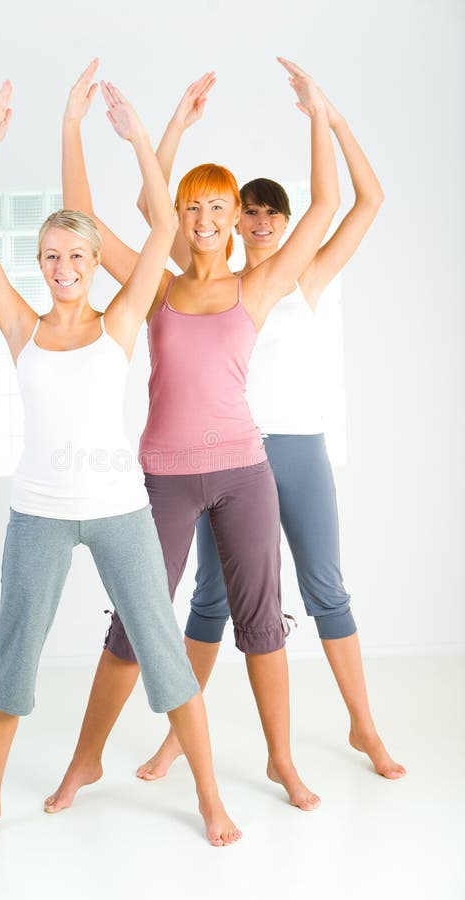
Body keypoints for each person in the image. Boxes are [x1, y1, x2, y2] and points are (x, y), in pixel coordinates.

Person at [0, 74, 242, 851]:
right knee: (14, 654)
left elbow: (160, 233)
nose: (65, 265)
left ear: (91, 258)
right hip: (37, 513)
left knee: (162, 651)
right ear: (40, 262)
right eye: (52, 255)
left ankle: (210, 799)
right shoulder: (22, 326)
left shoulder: (121, 318)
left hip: (118, 512)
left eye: (77, 253)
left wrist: (141, 136)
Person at [51, 57, 338, 813]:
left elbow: (327, 204)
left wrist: (317, 115)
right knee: (134, 627)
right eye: (192, 209)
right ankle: (85, 760)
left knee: (262, 623)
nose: (207, 221)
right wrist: (78, 128)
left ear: (233, 213)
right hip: (167, 480)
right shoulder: (156, 284)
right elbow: (80, 223)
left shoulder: (260, 285)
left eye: (219, 208)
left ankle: (280, 760)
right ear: (176, 218)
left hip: (246, 475)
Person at [133, 70, 406, 782]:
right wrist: (174, 128)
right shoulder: (202, 285)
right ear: (226, 221)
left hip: (297, 449)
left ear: (282, 226)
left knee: (325, 587)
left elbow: (355, 201)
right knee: (210, 598)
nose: (256, 223)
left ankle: (363, 727)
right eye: (245, 213)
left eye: (268, 214)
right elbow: (154, 212)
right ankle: (176, 737)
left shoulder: (300, 278)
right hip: (223, 459)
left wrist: (328, 117)